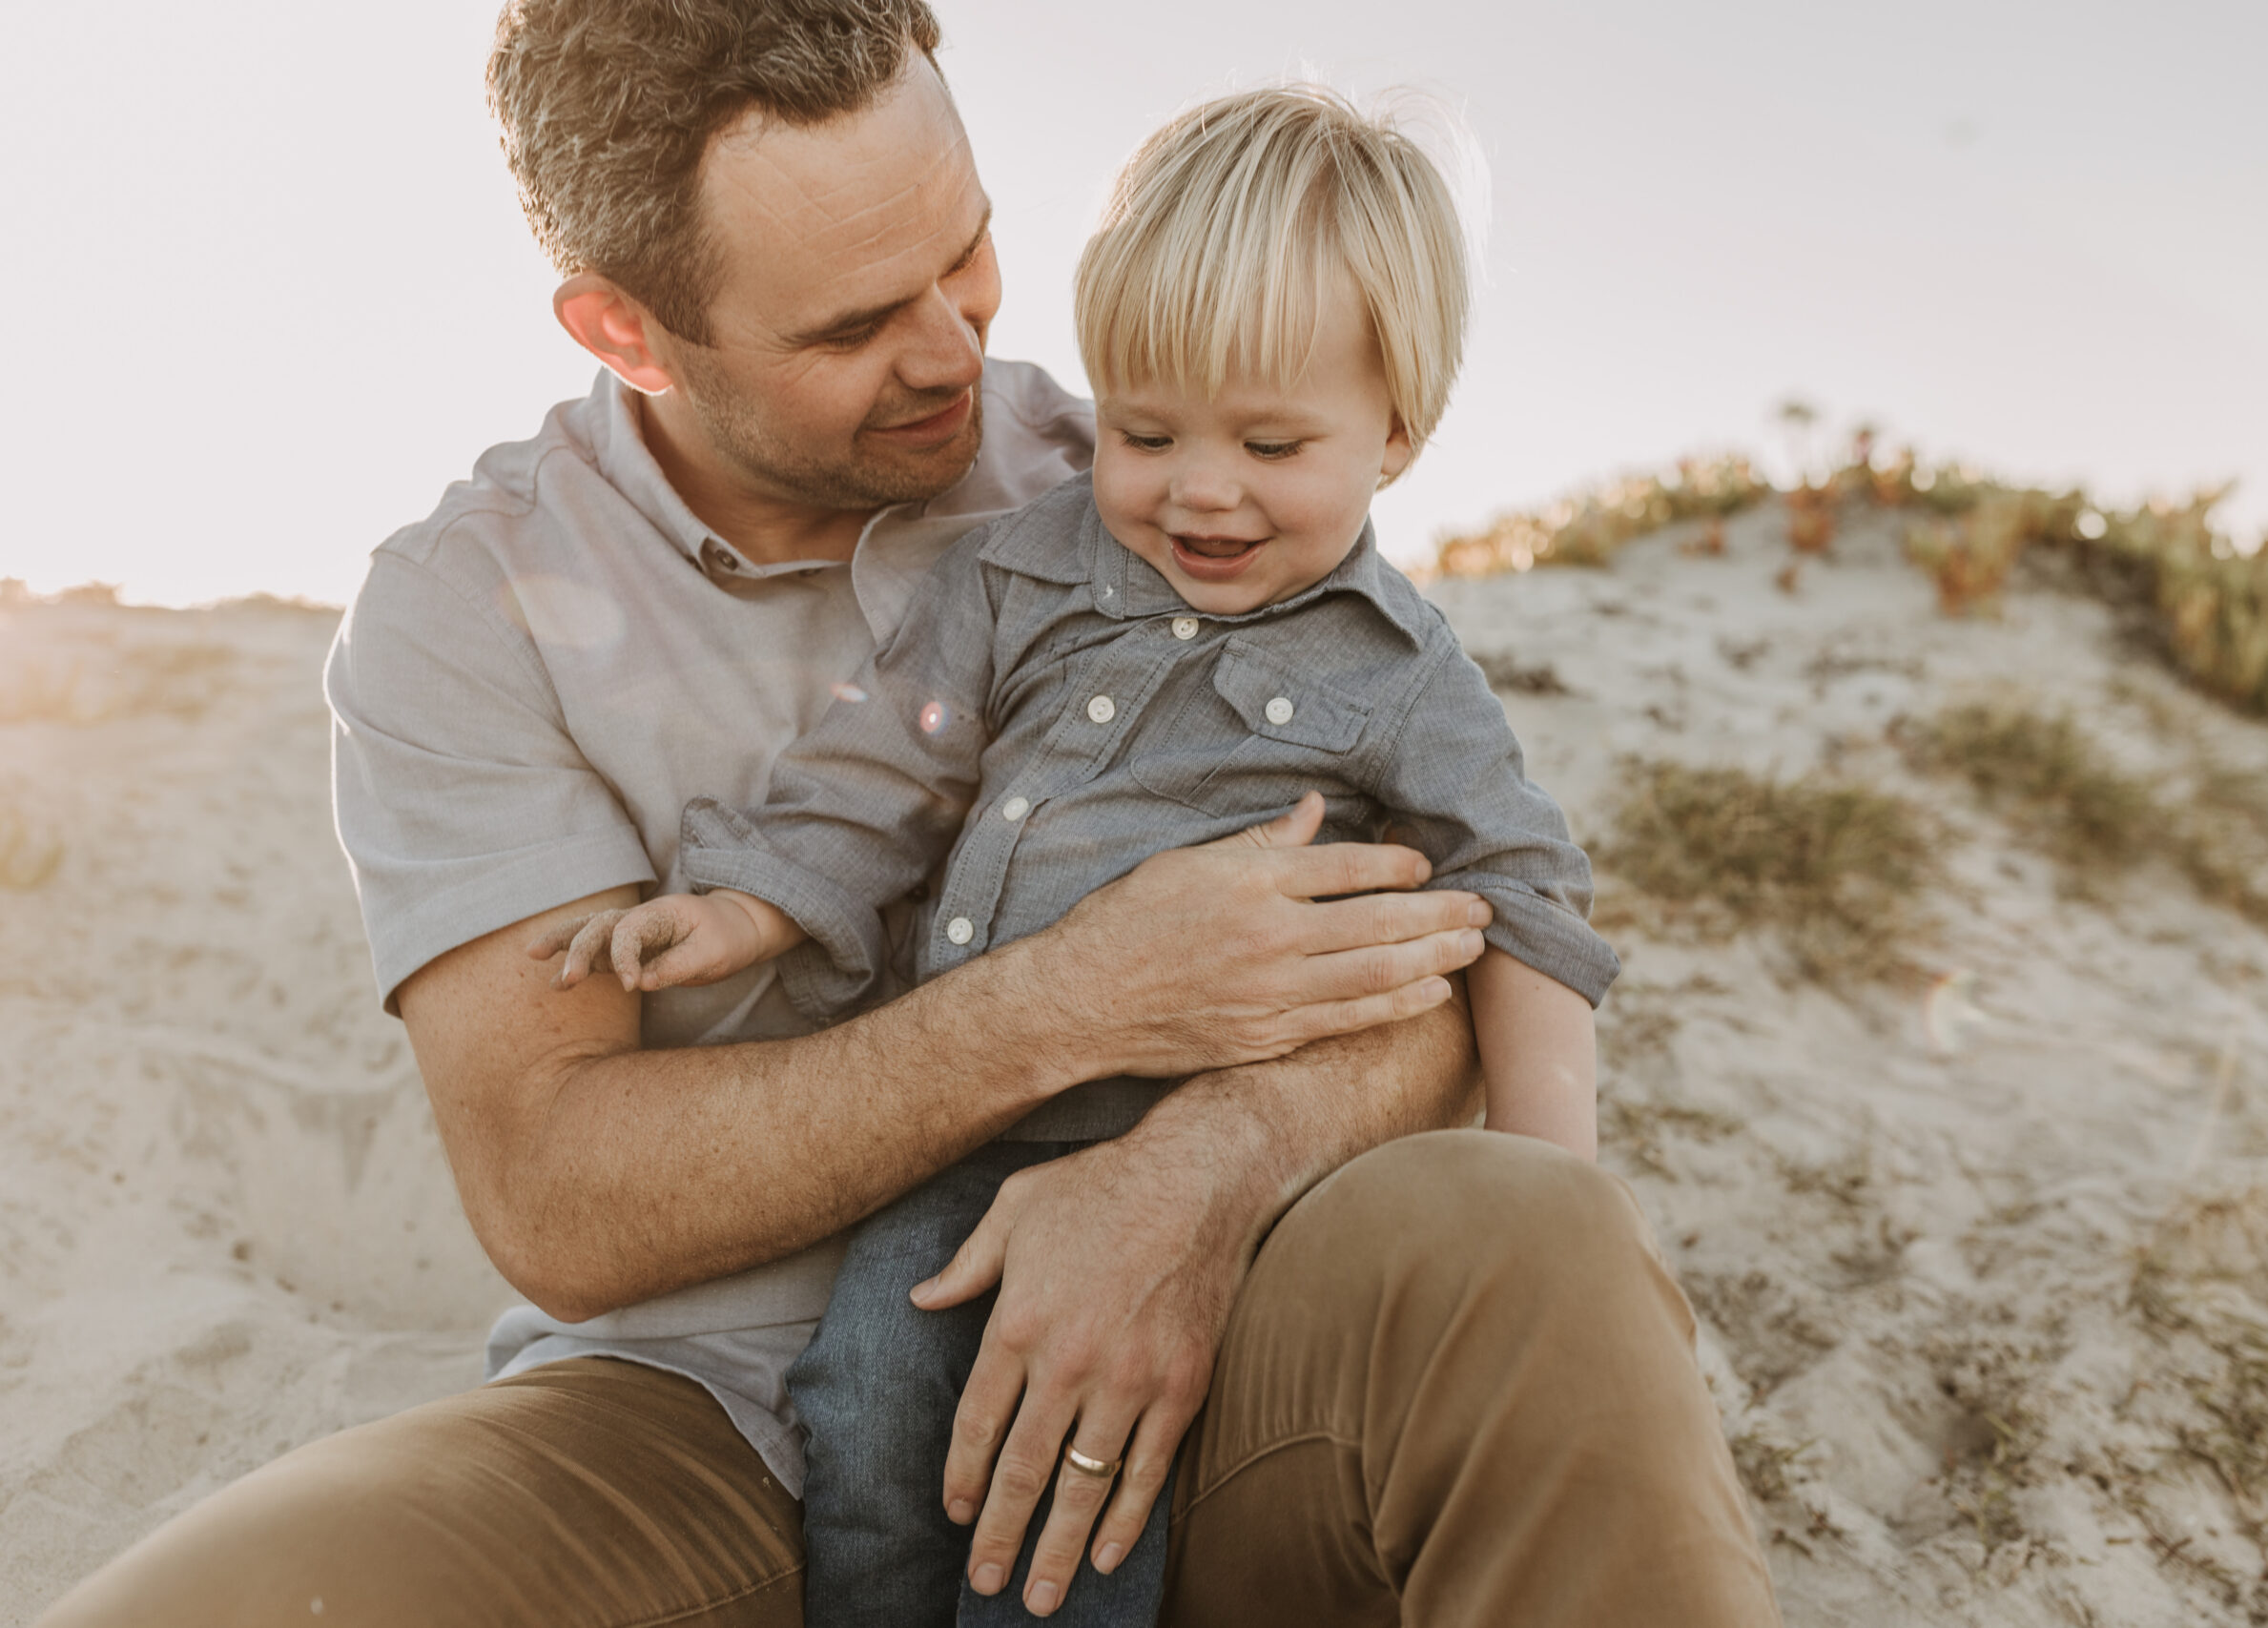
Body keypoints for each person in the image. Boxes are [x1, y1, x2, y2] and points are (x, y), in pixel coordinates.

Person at [36, 3, 1782, 1624]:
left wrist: (1192, 1174)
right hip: (692, 1422)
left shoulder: (1167, 488)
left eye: (967, 250)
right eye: (859, 323)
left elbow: (1449, 952)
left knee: (1536, 1247)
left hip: (1201, 1371)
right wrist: (1067, 1003)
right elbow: (562, 1198)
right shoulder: (462, 612)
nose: (959, 350)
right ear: (625, 329)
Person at [538, 84, 1617, 1626]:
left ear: (1397, 431)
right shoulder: (1017, 569)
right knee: (866, 1412)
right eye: (1149, 427)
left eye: (1272, 441)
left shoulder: (1405, 675)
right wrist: (752, 904)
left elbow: (1522, 898)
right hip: (957, 1142)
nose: (1201, 488)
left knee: (1090, 1485)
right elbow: (884, 765)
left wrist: (1545, 1176)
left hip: (1185, 1166)